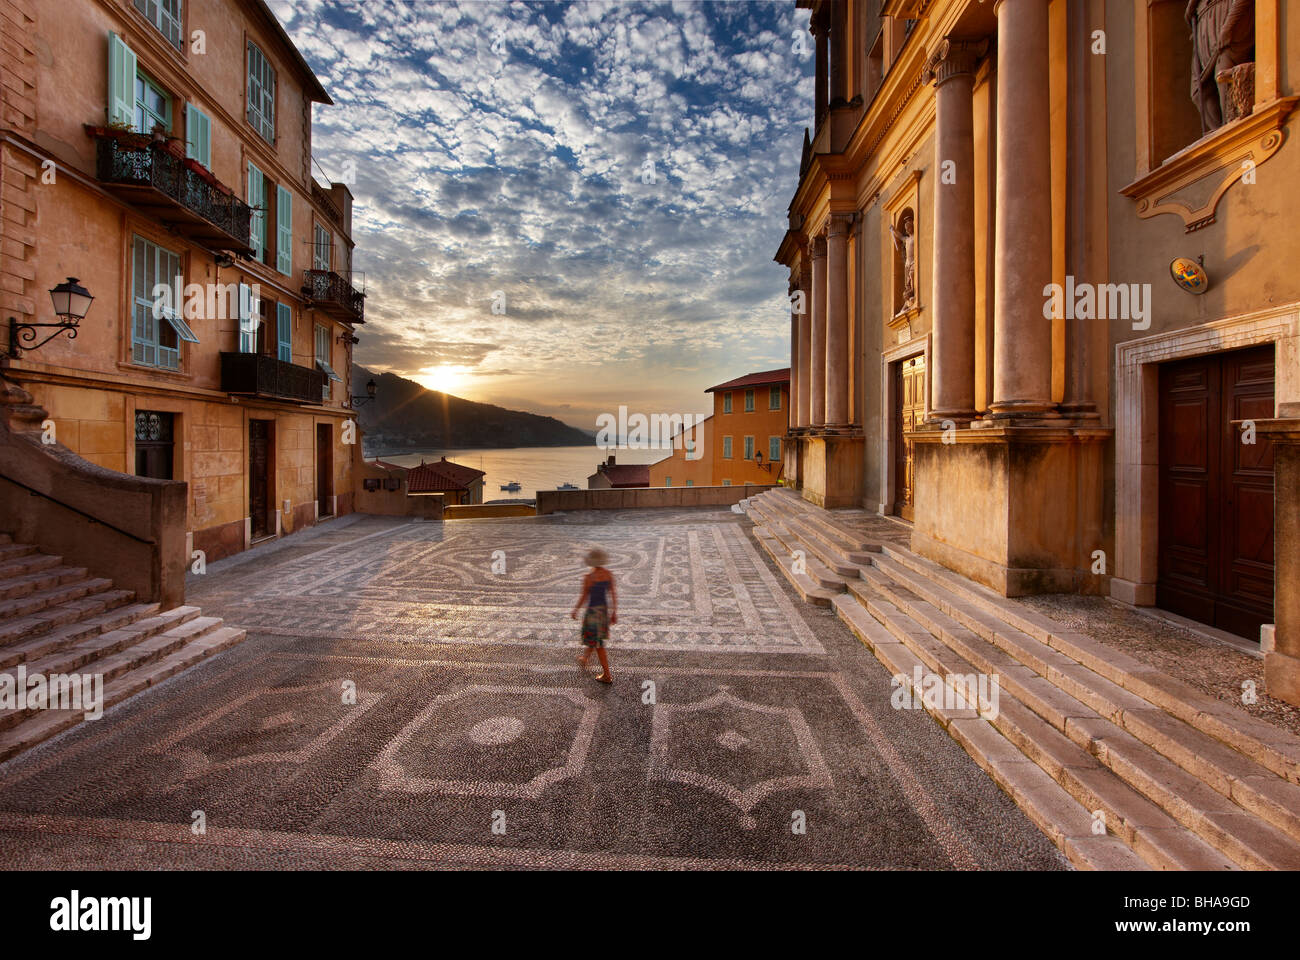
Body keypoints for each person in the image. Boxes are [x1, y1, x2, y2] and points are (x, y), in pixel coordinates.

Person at [571, 548, 616, 684]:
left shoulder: (588, 578)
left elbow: (584, 596)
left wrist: (576, 610)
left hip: (592, 613)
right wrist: (614, 612)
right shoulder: (608, 575)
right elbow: (613, 594)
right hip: (603, 612)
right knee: (594, 638)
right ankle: (585, 658)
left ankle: (607, 674)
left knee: (598, 645)